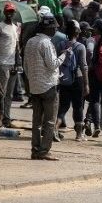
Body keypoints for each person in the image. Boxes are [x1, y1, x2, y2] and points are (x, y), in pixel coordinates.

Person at [24, 15, 69, 161]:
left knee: (36, 121)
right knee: (49, 121)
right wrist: (64, 55)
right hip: (49, 86)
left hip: (34, 86)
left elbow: (26, 66)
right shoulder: (46, 43)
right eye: (54, 28)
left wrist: (33, 80)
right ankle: (44, 151)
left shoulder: (30, 42)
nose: (56, 30)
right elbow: (52, 64)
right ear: (48, 28)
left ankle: (35, 150)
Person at [55, 20, 89, 141]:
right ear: (78, 32)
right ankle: (79, 135)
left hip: (64, 79)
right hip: (77, 79)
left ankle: (55, 128)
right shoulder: (80, 47)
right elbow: (84, 66)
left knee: (63, 106)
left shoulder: (60, 45)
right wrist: (86, 84)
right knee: (78, 106)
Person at [0, 3, 20, 128]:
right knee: (1, 93)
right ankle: (0, 118)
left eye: (12, 11)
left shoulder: (15, 27)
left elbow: (17, 46)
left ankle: (6, 118)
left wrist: (17, 63)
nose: (10, 14)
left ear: (14, 13)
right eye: (8, 11)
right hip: (2, 63)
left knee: (9, 94)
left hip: (12, 64)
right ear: (4, 12)